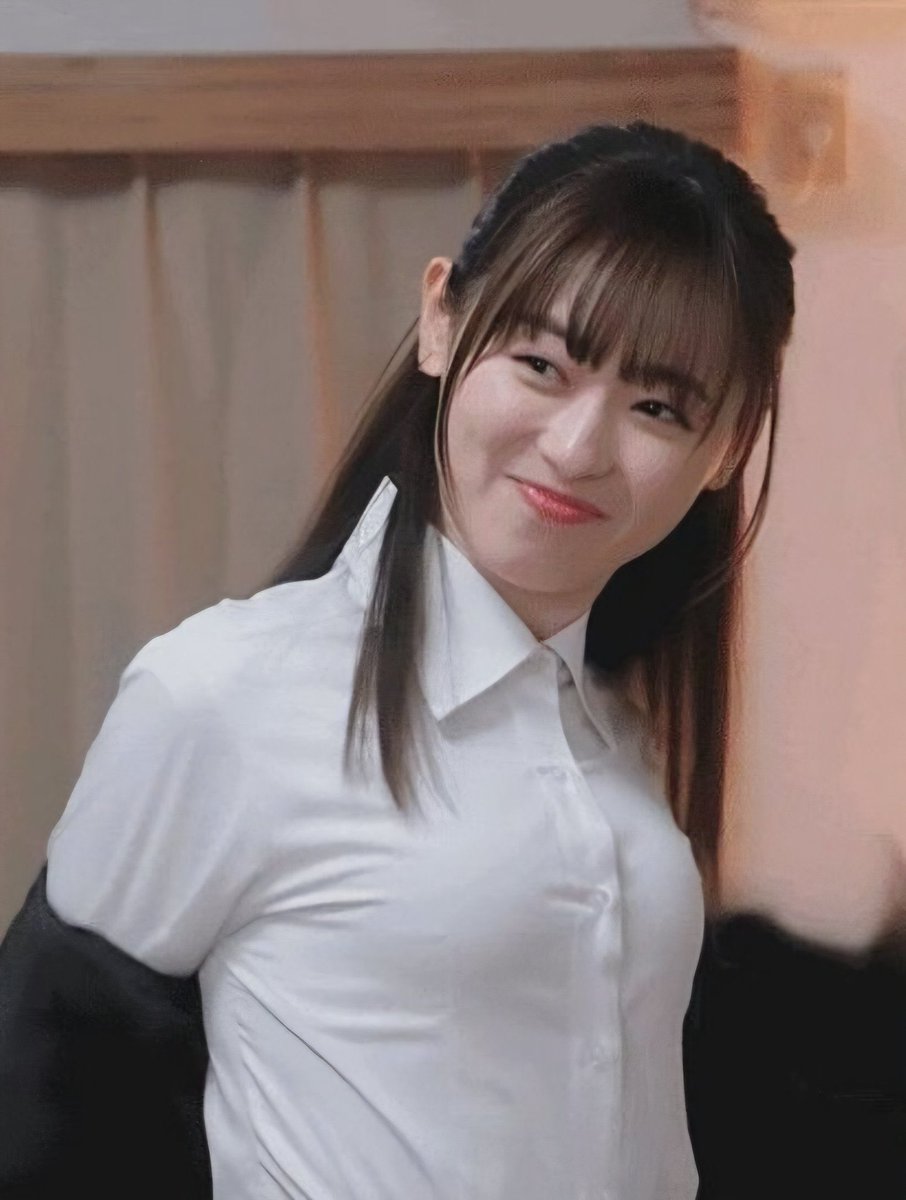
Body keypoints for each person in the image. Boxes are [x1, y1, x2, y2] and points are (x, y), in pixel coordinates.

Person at [0, 121, 796, 1200]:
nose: (577, 447)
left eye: (657, 406)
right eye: (541, 365)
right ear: (441, 322)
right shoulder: (225, 694)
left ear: (730, 445)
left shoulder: (622, 728)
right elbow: (43, 1110)